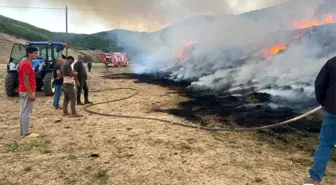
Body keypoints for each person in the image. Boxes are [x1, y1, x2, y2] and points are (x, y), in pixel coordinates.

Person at [303, 56, 336, 185]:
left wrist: (324, 103)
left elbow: (319, 84)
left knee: (325, 144)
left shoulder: (333, 62)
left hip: (333, 110)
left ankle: (314, 179)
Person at [18, 46, 39, 138]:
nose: (36, 55)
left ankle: (23, 131)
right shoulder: (26, 64)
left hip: (24, 90)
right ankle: (26, 133)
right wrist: (30, 93)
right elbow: (26, 80)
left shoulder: (25, 63)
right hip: (27, 91)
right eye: (35, 53)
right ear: (29, 53)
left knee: (23, 111)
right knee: (27, 112)